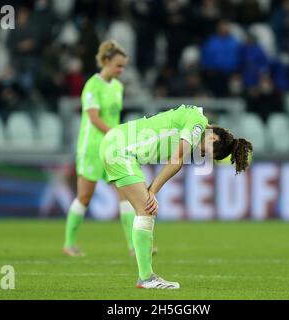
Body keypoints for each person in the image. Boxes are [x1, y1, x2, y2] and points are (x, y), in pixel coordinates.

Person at [99, 105, 253, 289]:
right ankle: (146, 278)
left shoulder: (194, 118)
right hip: (120, 150)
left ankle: (145, 276)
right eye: (207, 152)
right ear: (212, 138)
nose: (202, 154)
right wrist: (152, 191)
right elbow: (176, 158)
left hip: (116, 143)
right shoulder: (197, 123)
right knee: (146, 211)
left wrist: (151, 190)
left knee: (142, 209)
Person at [63, 40, 136, 257]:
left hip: (111, 148)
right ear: (105, 61)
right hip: (92, 147)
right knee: (84, 196)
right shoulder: (92, 86)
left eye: (123, 67)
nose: (121, 70)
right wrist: (115, 134)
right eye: (118, 66)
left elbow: (113, 117)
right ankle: (69, 243)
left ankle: (134, 246)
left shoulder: (118, 87)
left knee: (125, 193)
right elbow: (94, 118)